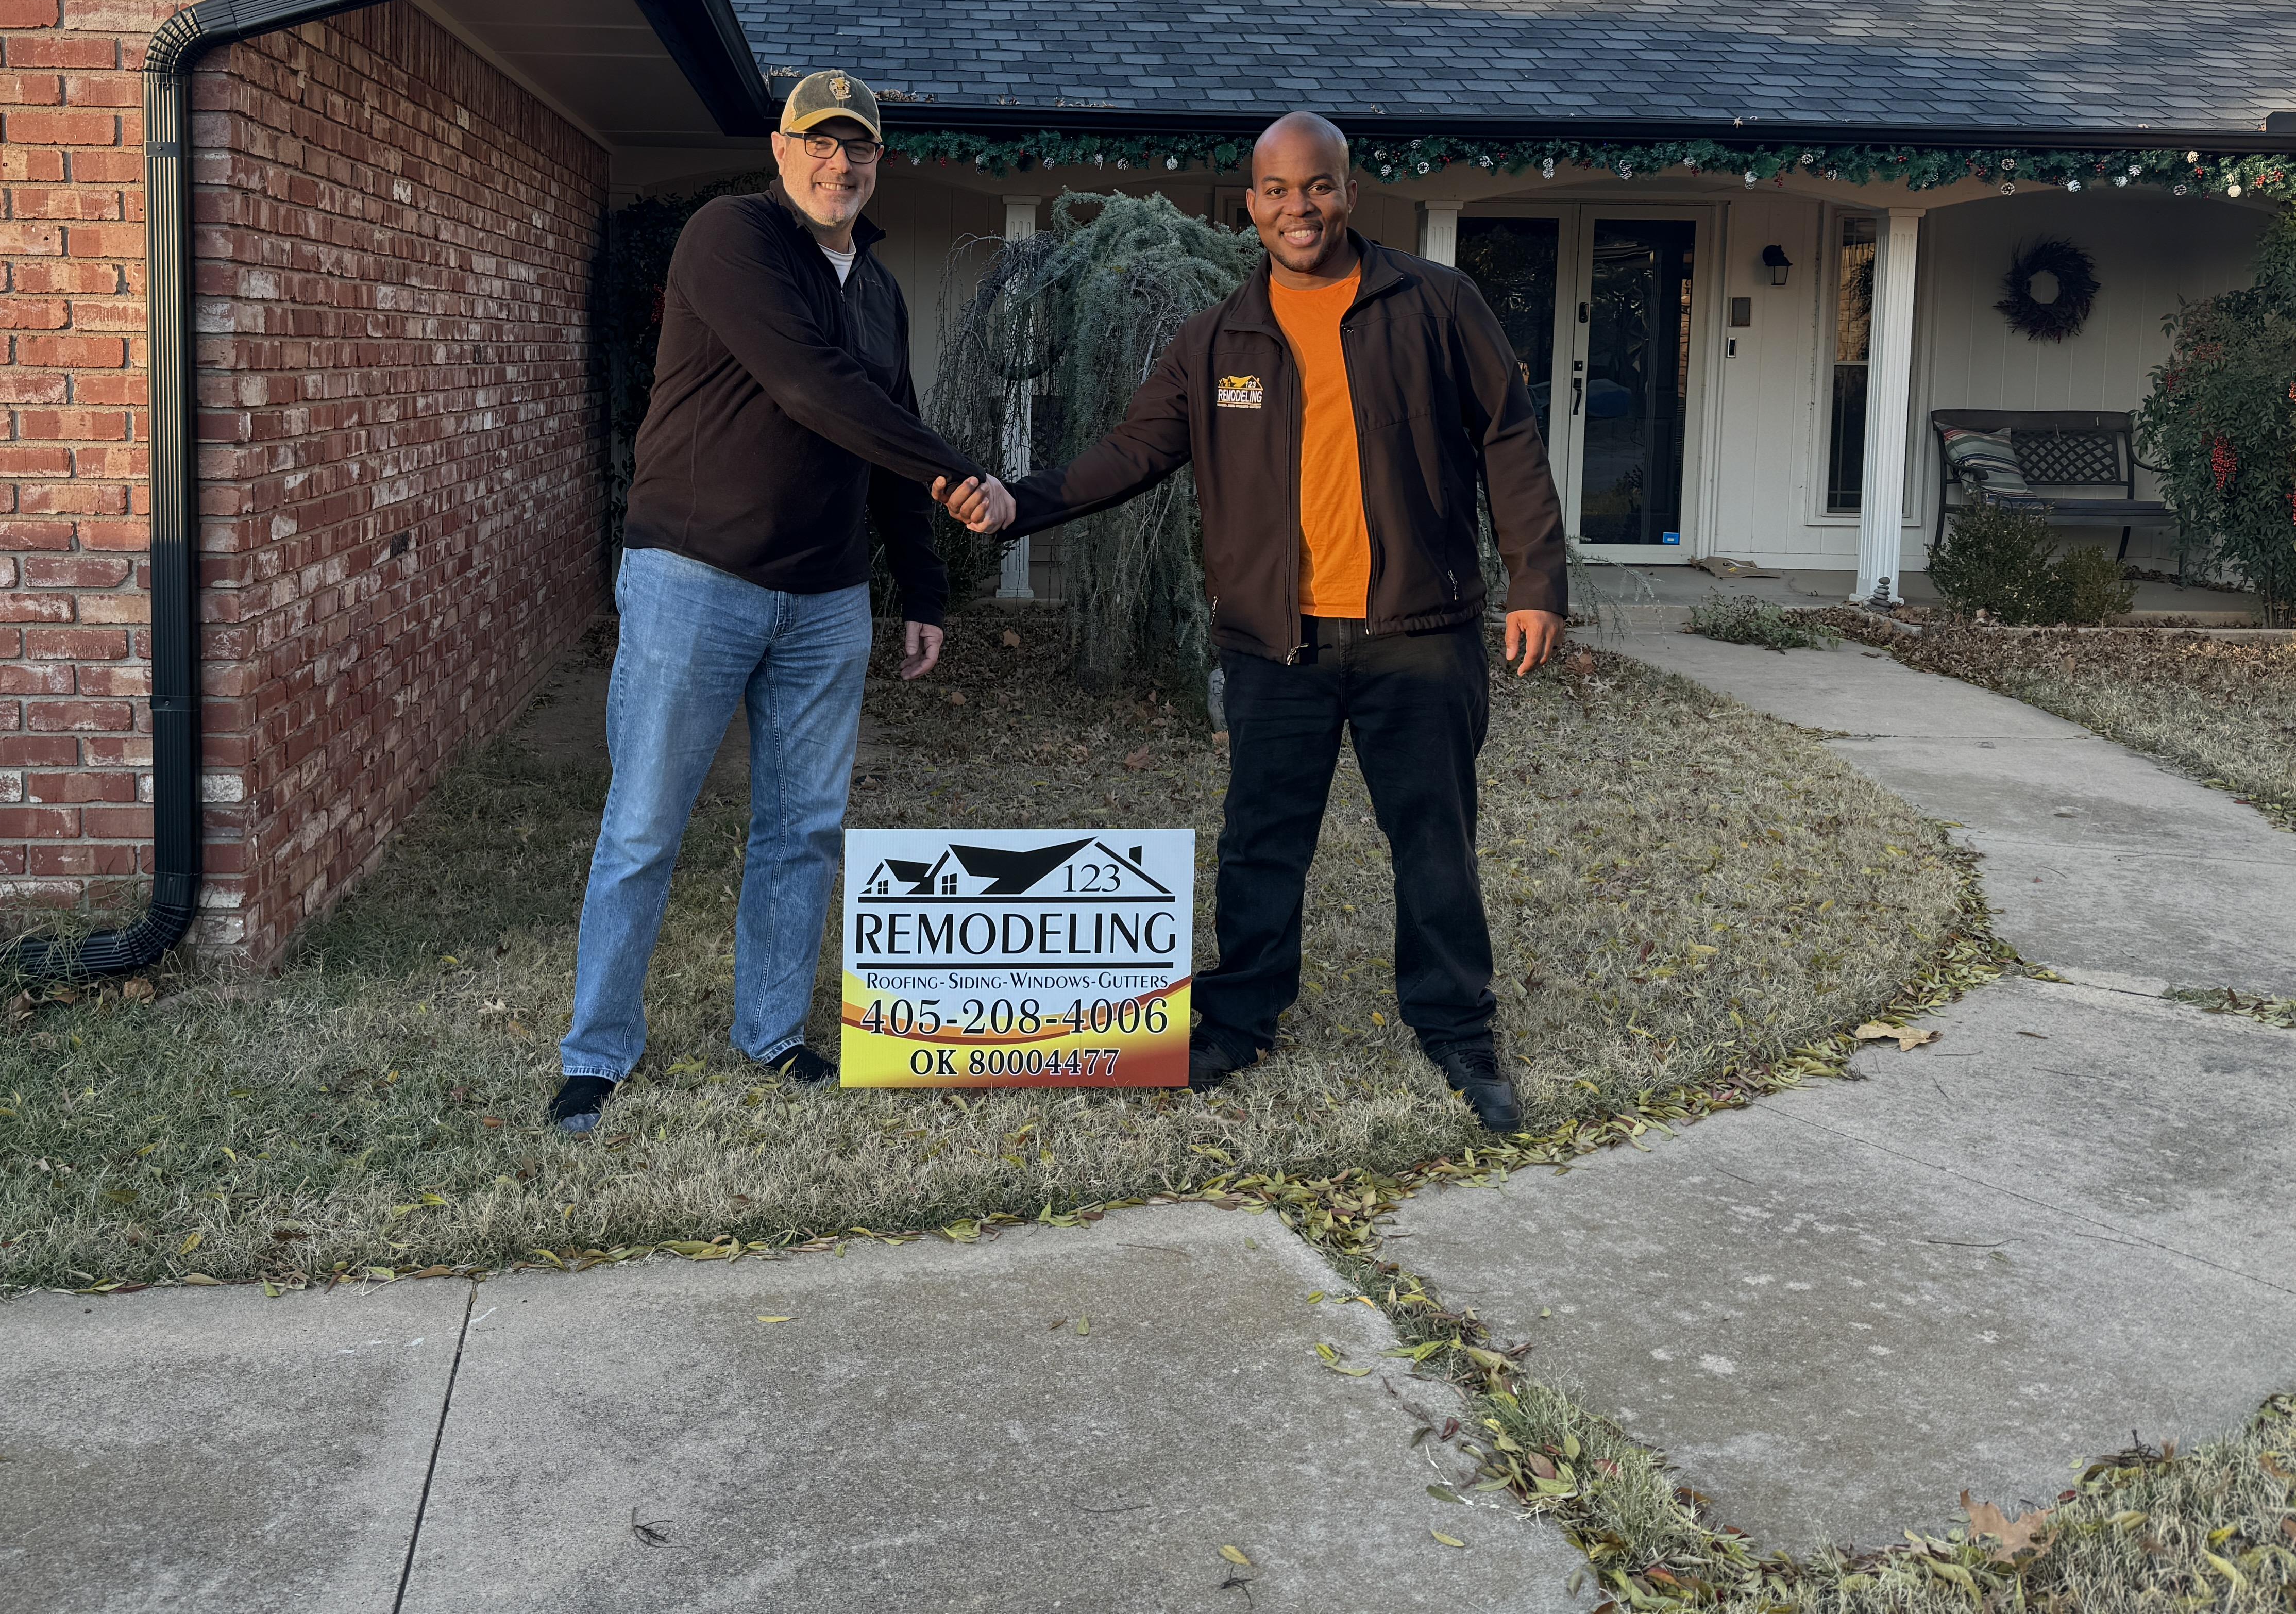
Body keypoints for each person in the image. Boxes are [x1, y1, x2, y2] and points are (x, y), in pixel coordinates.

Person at [947, 113, 1564, 1130]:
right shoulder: (1221, 336)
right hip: (1278, 643)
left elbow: (1508, 436)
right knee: (1263, 842)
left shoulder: (1435, 304)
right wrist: (1023, 500)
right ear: (1251, 207)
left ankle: (1458, 1028)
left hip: (1419, 629)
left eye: (1316, 187)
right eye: (1277, 192)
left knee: (1435, 840)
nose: (1299, 209)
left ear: (1350, 192)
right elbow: (1133, 449)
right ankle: (1239, 1023)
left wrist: (1537, 579)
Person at [553, 70, 1015, 1136]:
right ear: (779, 148)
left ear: (876, 162)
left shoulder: (883, 292)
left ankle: (771, 1034)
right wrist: (963, 474)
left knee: (803, 828)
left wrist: (926, 584)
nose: (837, 164)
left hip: (826, 601)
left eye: (857, 148)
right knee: (643, 825)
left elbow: (883, 442)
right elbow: (813, 388)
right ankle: (597, 1050)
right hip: (693, 581)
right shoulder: (732, 239)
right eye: (818, 142)